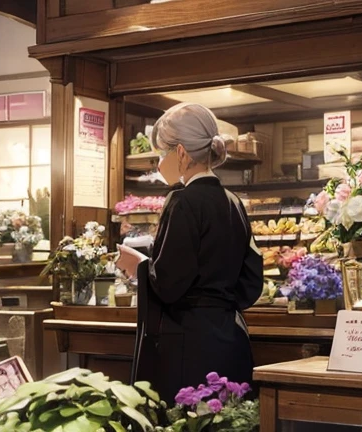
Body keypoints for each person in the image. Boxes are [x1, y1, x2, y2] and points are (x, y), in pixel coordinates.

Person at [116, 103, 263, 404]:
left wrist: (140, 267)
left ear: (181, 153)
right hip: (232, 339)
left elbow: (169, 284)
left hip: (190, 345)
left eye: (162, 152)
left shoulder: (182, 201)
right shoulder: (234, 201)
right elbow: (251, 281)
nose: (160, 161)